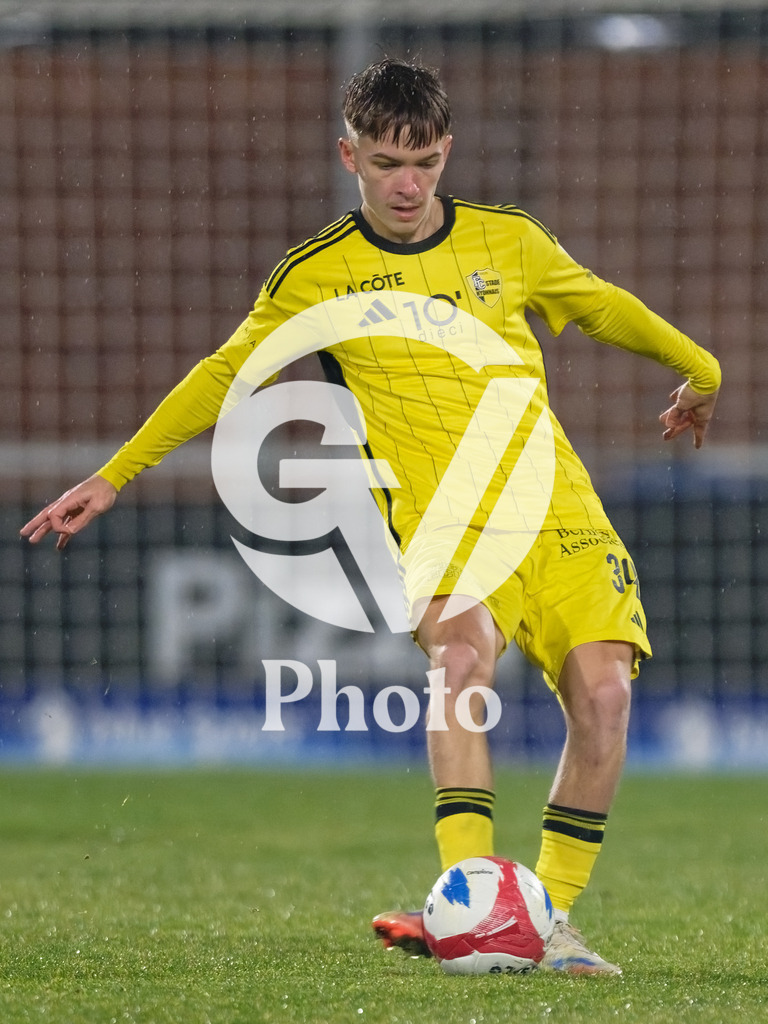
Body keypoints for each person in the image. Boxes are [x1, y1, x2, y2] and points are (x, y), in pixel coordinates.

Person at [21, 58, 720, 975]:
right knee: (460, 662)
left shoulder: (509, 242)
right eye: (389, 161)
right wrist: (116, 476)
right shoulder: (319, 275)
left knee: (606, 695)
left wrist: (700, 369)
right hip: (443, 524)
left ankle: (544, 919)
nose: (408, 183)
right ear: (349, 154)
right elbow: (227, 372)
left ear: (447, 153)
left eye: (425, 162)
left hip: (559, 508)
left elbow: (601, 306)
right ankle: (472, 906)